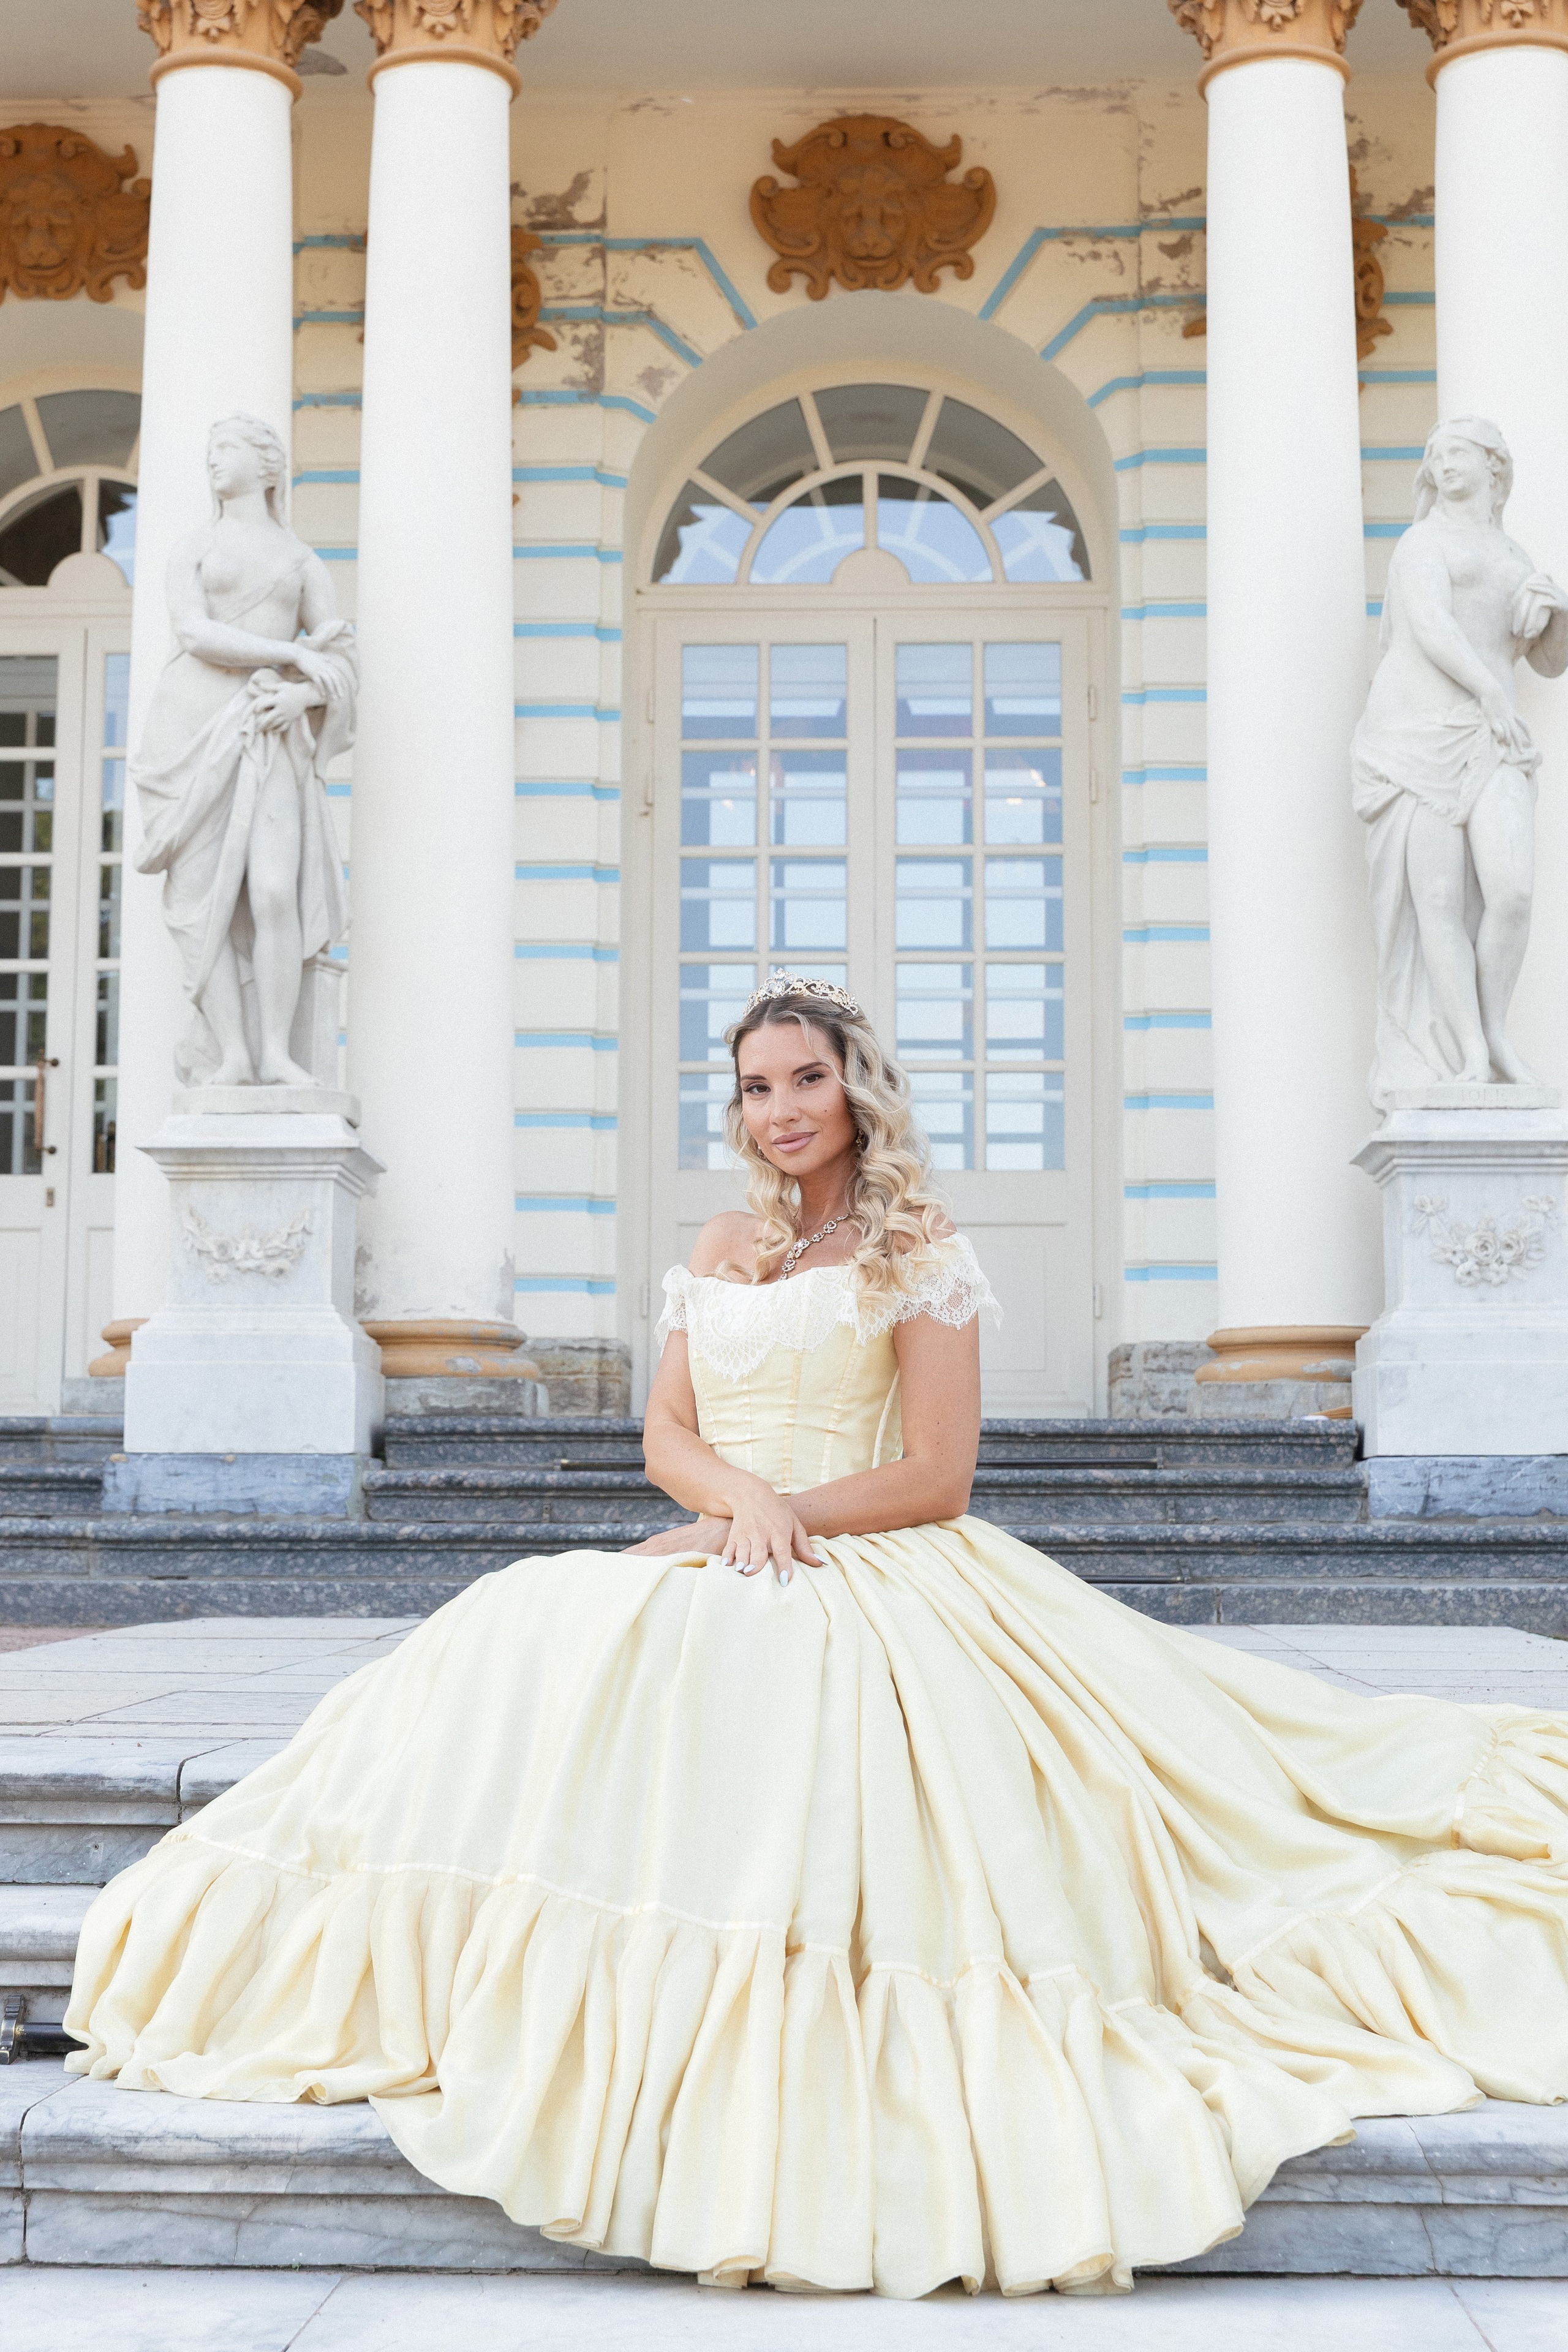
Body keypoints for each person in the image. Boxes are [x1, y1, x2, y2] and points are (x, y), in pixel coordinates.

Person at [66, 976, 1568, 2298]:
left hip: (882, 1551)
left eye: (804, 1076)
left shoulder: (917, 1244)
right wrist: (729, 1503)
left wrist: (783, 1513)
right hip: (734, 1530)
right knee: (518, 1621)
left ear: (855, 1086)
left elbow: (937, 1473)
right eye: (753, 1084)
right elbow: (662, 1427)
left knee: (775, 1684)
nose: (779, 1107)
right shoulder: (721, 1239)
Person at [133, 413, 356, 1089]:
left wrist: (302, 700)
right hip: (191, 730)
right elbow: (194, 632)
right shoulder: (193, 548)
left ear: (268, 468)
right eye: (209, 450)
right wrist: (290, 654)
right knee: (206, 904)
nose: (212, 461)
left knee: (272, 890)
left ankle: (278, 1054)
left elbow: (341, 654)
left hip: (270, 730)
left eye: (224, 449)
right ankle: (233, 1052)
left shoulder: (299, 560)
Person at [1352, 416, 1568, 1104]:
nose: (1442, 465)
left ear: (1494, 466)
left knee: (1511, 892)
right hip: (1414, 736)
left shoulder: (1513, 556)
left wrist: (1557, 614)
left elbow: (1548, 661)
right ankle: (1470, 1054)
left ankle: (1497, 1032)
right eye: (1434, 456)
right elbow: (1431, 625)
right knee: (1437, 901)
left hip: (1492, 739)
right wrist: (1487, 693)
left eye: (1456, 453)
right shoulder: (1422, 542)